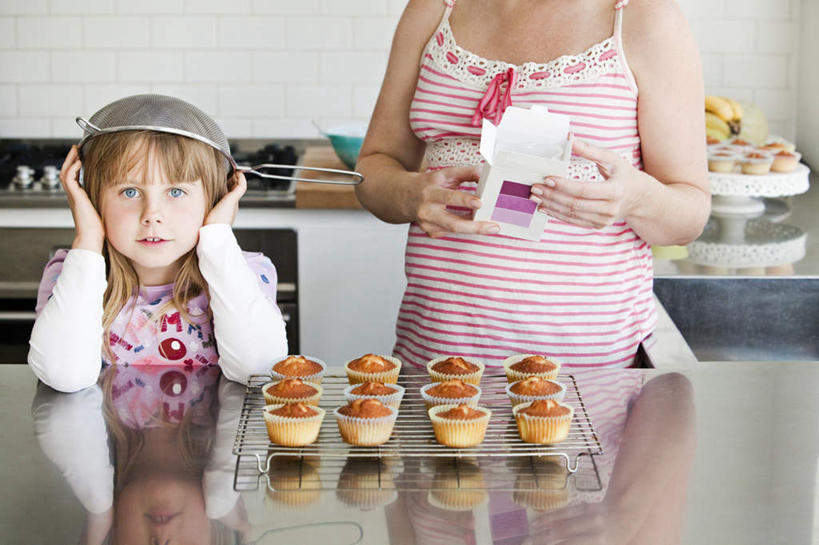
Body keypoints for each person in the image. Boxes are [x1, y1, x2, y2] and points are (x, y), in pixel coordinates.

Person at [355, 0, 710, 370]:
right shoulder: (435, 9)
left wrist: (635, 198)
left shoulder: (646, 18)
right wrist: (409, 194)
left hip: (585, 368)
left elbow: (690, 214)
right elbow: (373, 168)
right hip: (436, 359)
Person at [28, 96, 288, 392]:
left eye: (176, 192)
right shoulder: (70, 274)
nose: (152, 215)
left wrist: (217, 237)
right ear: (92, 199)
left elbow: (259, 370)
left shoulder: (247, 273)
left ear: (215, 198)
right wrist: (87, 239)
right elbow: (64, 376)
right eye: (129, 192)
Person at [31, 364, 251, 545]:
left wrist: (97, 503)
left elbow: (57, 417)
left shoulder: (94, 420)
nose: (162, 541)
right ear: (214, 536)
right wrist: (226, 493)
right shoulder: (220, 413)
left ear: (113, 536)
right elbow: (256, 376)